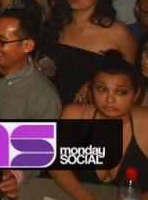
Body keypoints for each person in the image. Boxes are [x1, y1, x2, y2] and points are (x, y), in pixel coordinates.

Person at [50, 50, 148, 199]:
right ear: (91, 89)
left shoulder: (145, 121)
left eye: (121, 92)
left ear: (136, 94)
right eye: (102, 89)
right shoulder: (76, 115)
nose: (110, 99)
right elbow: (56, 165)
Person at [0, 9, 63, 199]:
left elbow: (37, 154)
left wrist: (16, 174)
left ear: (27, 45)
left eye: (1, 41)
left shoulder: (43, 97)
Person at [45, 0, 137, 105]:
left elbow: (130, 79)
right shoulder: (55, 23)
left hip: (90, 109)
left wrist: (94, 84)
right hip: (47, 103)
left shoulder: (119, 32)